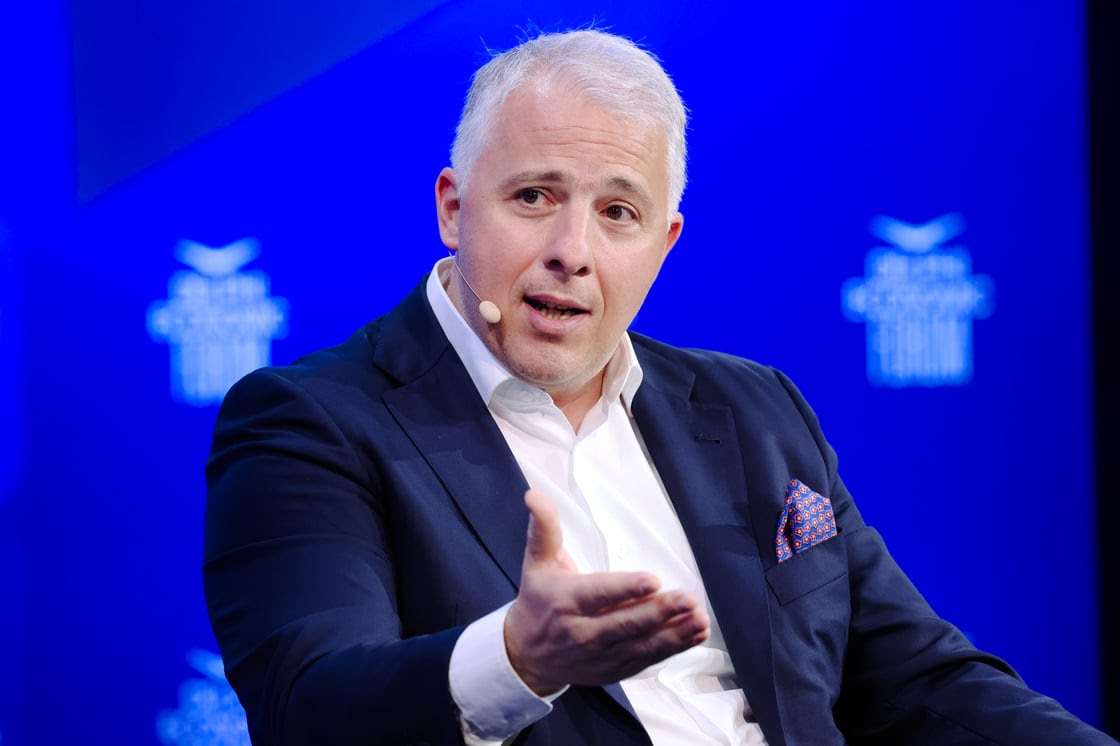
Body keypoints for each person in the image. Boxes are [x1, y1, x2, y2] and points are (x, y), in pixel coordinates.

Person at [203, 29, 1115, 746]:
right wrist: (517, 657)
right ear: (453, 206)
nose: (572, 250)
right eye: (533, 197)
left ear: (664, 243)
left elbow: (916, 678)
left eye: (618, 212)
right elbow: (307, 708)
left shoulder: (754, 409)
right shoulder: (312, 421)